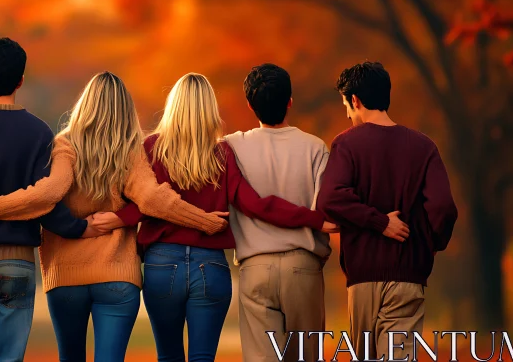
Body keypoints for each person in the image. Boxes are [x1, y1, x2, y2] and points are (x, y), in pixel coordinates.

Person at [0, 71, 230, 362]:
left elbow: (49, 192)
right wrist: (206, 221)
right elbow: (153, 199)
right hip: (117, 277)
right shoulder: (131, 151)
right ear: (126, 109)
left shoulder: (64, 145)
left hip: (65, 278)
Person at [91, 73, 336, 362]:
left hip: (161, 265)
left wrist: (119, 218)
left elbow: (142, 204)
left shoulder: (149, 149)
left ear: (173, 105)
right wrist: (313, 218)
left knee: (168, 356)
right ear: (209, 108)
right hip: (210, 266)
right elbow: (256, 205)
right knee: (203, 357)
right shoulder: (222, 153)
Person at [0, 38, 103, 362]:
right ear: (21, 80)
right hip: (18, 265)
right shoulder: (38, 132)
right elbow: (45, 202)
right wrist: (80, 228)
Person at [316, 61, 458, 360]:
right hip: (409, 275)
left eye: (346, 104)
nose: (346, 114)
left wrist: (376, 222)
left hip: (363, 278)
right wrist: (429, 245)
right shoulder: (423, 146)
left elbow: (330, 198)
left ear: (355, 100)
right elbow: (443, 207)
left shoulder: (346, 144)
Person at [224, 64, 335, 362]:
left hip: (255, 268)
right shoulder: (316, 148)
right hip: (304, 267)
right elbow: (326, 213)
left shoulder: (231, 146)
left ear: (250, 105)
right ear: (290, 101)